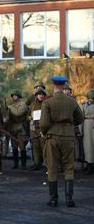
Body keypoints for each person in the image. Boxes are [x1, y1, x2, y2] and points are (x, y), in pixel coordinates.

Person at [40, 76, 84, 207]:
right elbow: (80, 118)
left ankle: (54, 199)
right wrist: (69, 125)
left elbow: (43, 123)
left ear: (53, 85)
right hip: (69, 137)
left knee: (52, 167)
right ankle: (69, 199)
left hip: (52, 137)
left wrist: (46, 131)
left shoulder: (48, 102)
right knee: (69, 167)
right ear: (65, 86)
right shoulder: (72, 101)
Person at [8, 90, 28, 169]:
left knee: (22, 146)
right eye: (13, 95)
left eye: (15, 95)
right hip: (12, 127)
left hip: (21, 127)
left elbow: (18, 113)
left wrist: (9, 107)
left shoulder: (23, 104)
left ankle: (24, 164)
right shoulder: (11, 105)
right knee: (14, 147)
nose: (14, 97)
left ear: (19, 96)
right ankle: (15, 164)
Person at [28, 87, 46, 171]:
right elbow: (27, 115)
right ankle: (36, 163)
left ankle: (46, 164)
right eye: (39, 94)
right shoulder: (32, 105)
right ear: (36, 95)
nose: (41, 96)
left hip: (43, 128)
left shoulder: (46, 104)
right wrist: (29, 117)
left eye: (42, 94)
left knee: (44, 147)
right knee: (35, 146)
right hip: (33, 128)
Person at [80, 89, 94, 174]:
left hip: (88, 124)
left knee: (89, 146)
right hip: (87, 125)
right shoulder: (84, 105)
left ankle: (90, 166)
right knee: (88, 146)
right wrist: (80, 130)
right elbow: (80, 118)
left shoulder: (84, 105)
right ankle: (89, 166)